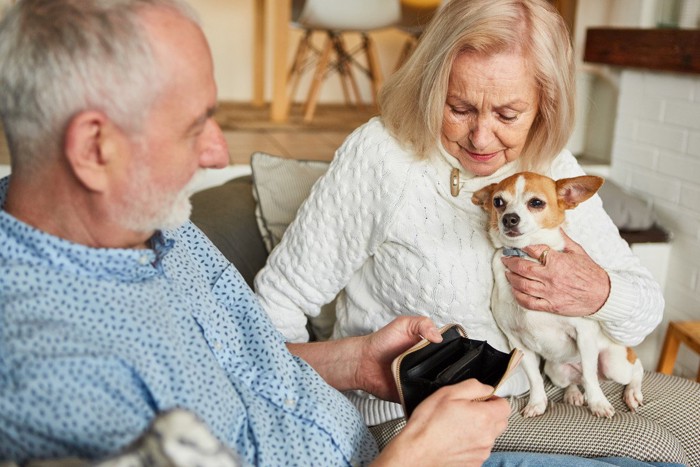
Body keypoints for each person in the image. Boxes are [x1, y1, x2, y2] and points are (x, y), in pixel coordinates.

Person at [0, 1, 562, 466]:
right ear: (95, 148)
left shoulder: (150, 227)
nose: (220, 152)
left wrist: (357, 361)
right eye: (194, 127)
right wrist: (408, 461)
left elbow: (242, 363)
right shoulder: (51, 370)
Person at [254, 0, 700, 464]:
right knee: (657, 458)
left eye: (508, 115)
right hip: (410, 416)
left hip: (539, 387)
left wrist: (597, 291)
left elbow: (644, 311)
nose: (481, 139)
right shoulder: (381, 158)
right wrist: (306, 421)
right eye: (460, 108)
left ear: (544, 106)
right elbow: (276, 306)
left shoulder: (549, 169)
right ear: (430, 88)